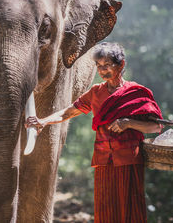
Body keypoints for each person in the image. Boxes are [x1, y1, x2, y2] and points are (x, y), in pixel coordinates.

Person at [25, 42, 163, 223]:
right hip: (103, 159)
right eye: (99, 66)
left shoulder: (135, 93)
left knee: (130, 207)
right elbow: (69, 111)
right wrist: (43, 121)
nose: (102, 70)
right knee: (105, 207)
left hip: (129, 159)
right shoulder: (96, 92)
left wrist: (128, 123)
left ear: (120, 64)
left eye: (107, 65)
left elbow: (156, 127)